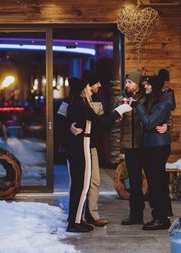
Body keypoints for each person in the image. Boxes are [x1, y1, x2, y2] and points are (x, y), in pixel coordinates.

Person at [66, 77, 132, 233]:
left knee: (79, 185)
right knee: (82, 185)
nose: (91, 88)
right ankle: (75, 222)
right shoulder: (82, 105)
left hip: (79, 145)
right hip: (83, 145)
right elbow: (102, 123)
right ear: (83, 89)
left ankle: (75, 219)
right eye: (88, 86)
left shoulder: (76, 103)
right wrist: (119, 110)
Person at [119, 69, 169, 226]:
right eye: (126, 82)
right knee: (133, 182)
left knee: (153, 180)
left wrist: (168, 126)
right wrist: (117, 119)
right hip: (130, 146)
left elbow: (162, 114)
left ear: (137, 84)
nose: (126, 84)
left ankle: (159, 215)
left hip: (146, 145)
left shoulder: (147, 97)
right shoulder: (123, 99)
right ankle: (135, 214)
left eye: (129, 82)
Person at [131, 75, 176, 230]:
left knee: (156, 183)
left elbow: (149, 123)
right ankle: (162, 215)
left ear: (155, 87)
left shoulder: (163, 104)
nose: (146, 87)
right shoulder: (153, 99)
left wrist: (137, 106)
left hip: (159, 148)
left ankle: (160, 218)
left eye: (148, 85)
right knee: (156, 183)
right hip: (151, 147)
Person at [80, 70, 108, 227]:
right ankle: (81, 215)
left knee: (95, 181)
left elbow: (100, 121)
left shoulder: (97, 98)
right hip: (82, 147)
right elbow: (62, 118)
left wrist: (109, 120)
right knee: (83, 182)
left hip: (93, 146)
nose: (100, 85)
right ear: (90, 84)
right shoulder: (78, 99)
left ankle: (92, 213)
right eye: (97, 82)